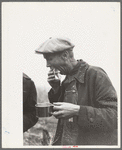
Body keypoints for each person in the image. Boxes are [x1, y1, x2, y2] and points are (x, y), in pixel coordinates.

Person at [35, 37, 117, 145]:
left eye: (49, 59)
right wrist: (56, 88)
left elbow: (115, 116)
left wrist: (78, 111)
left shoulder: (96, 74)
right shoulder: (68, 78)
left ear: (65, 55)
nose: (47, 65)